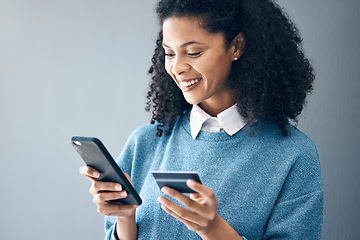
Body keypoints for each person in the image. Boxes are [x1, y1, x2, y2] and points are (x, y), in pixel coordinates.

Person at [80, 0, 324, 239]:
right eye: (169, 53)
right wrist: (124, 218)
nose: (177, 67)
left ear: (237, 46)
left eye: (193, 52)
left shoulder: (293, 155)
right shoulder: (145, 142)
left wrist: (213, 228)